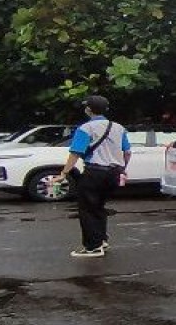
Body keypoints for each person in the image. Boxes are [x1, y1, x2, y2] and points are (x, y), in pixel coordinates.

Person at [50, 96, 130, 258]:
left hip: (95, 172)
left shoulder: (86, 128)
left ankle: (92, 247)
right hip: (114, 172)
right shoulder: (118, 127)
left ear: (88, 109)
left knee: (87, 208)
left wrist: (63, 174)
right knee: (99, 206)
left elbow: (75, 153)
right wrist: (123, 169)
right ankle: (101, 240)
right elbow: (127, 152)